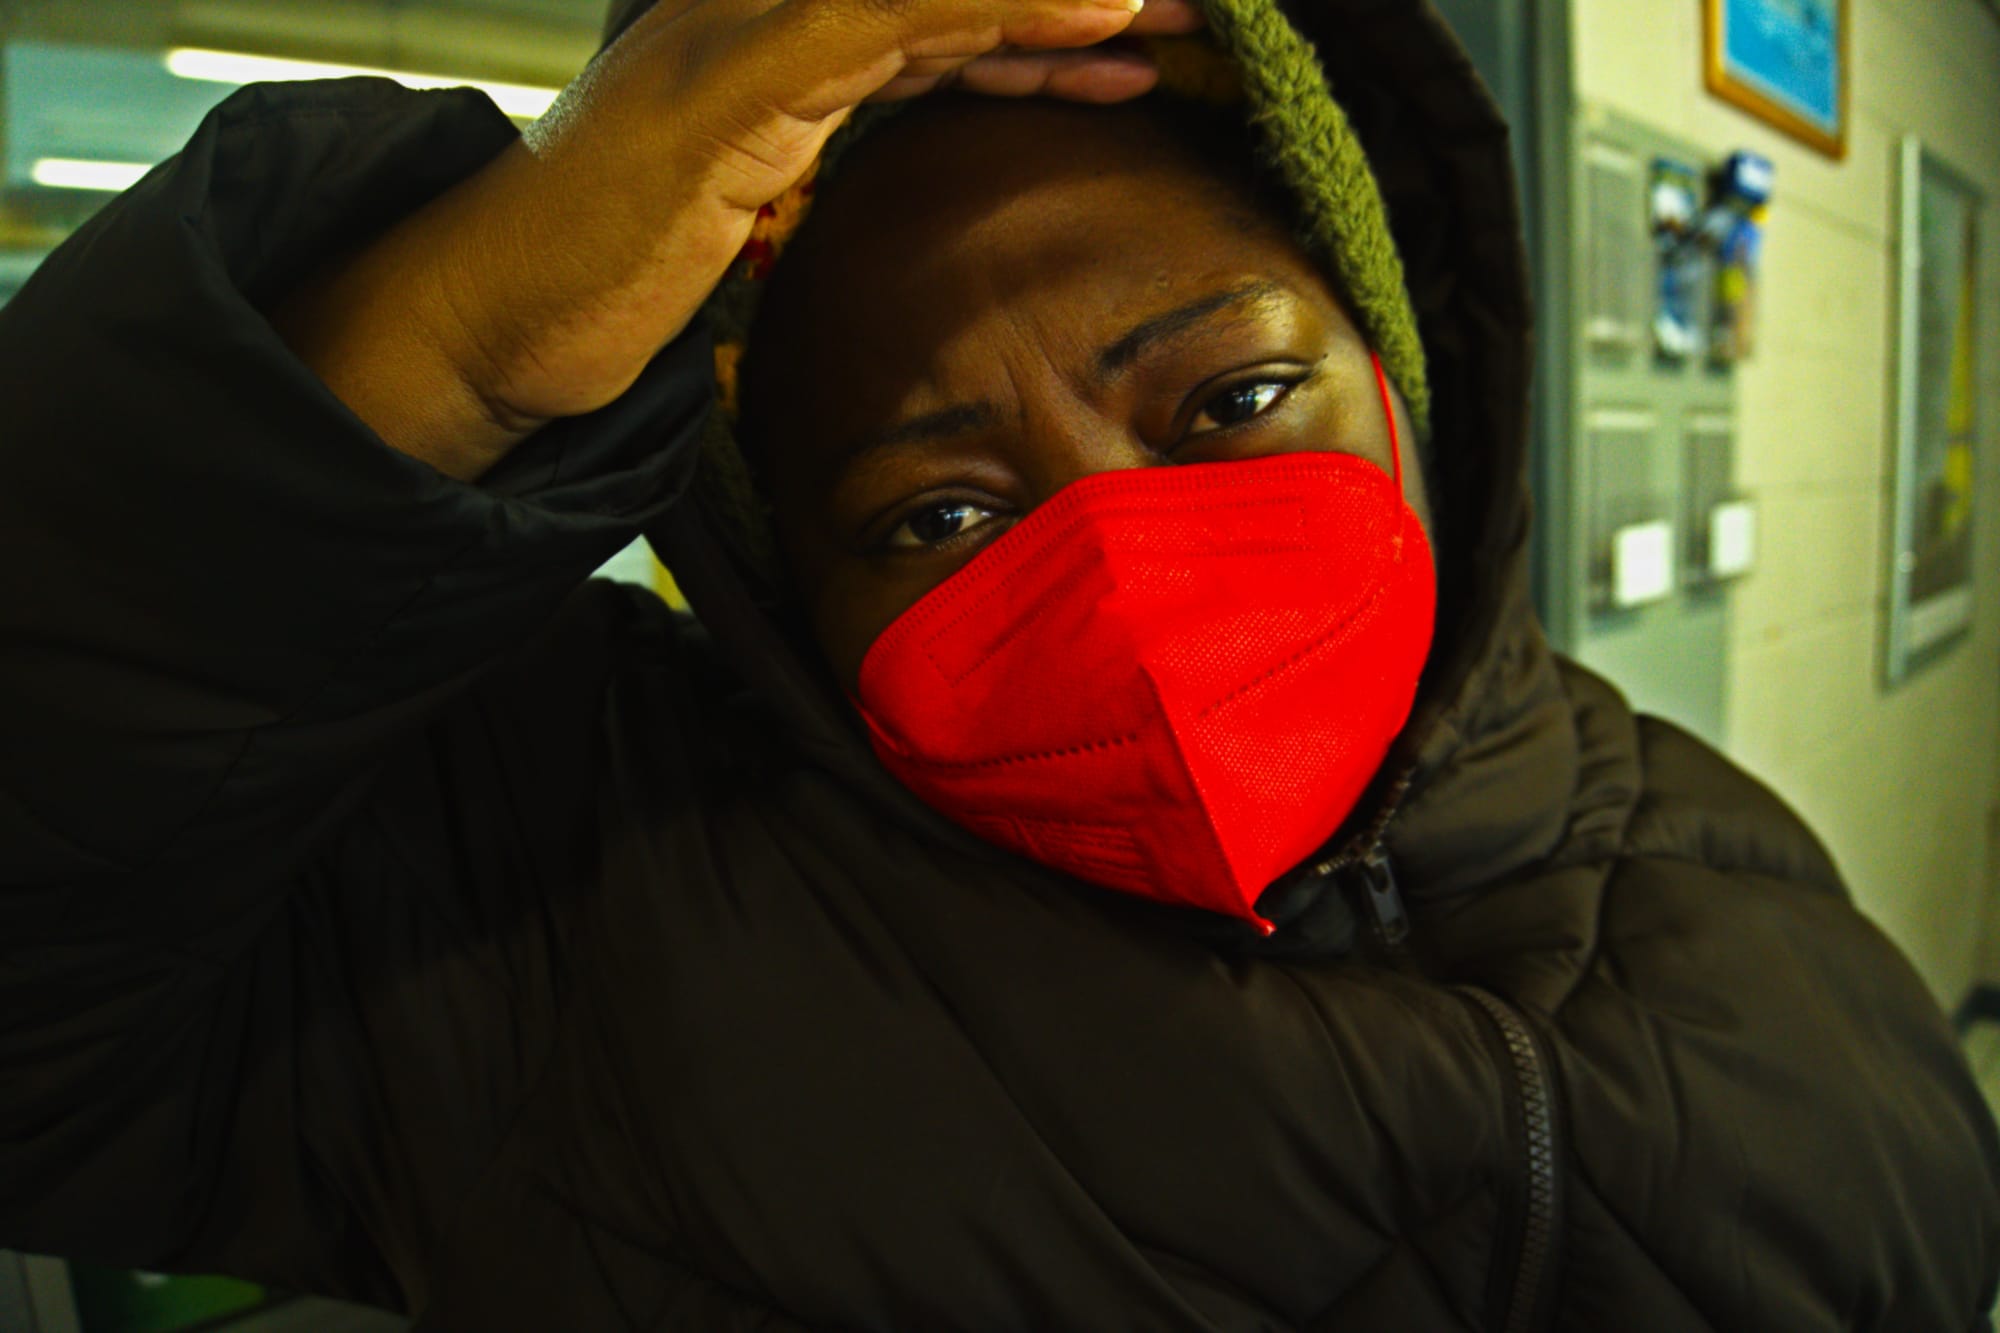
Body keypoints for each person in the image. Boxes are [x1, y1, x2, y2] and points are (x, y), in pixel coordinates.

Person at [1, 0, 1996, 1326]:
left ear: (1406, 386)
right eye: (934, 517)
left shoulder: (1731, 872)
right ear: (787, 582)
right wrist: (466, 330)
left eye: (1230, 394)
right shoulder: (544, 924)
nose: (1120, 566)